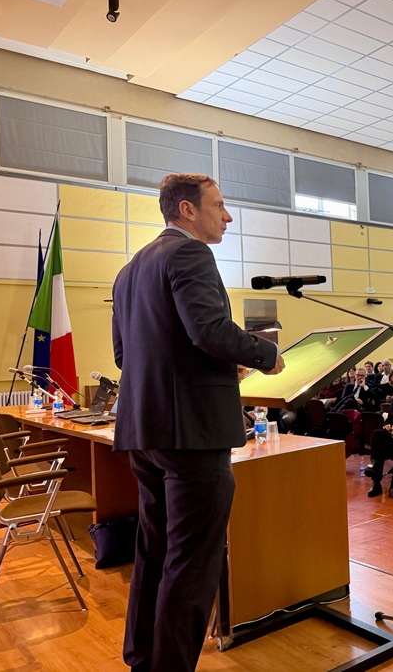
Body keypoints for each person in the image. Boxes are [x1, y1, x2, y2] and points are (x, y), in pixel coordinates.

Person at [111, 173, 284, 672]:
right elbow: (208, 329)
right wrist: (266, 355)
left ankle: (143, 659)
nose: (227, 216)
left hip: (145, 430)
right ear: (187, 210)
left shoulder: (130, 270)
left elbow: (127, 354)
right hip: (191, 432)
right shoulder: (189, 255)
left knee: (155, 549)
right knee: (191, 564)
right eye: (220, 205)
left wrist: (211, 361)